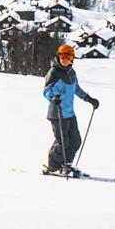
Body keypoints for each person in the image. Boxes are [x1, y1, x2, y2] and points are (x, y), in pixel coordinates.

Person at [42, 43, 99, 176]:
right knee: (62, 142)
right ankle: (53, 166)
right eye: (62, 56)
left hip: (69, 113)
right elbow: (46, 90)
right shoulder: (54, 72)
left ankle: (66, 164)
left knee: (75, 141)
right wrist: (53, 97)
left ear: (72, 58)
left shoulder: (71, 72)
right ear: (58, 56)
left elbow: (76, 89)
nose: (65, 59)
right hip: (57, 113)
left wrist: (89, 99)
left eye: (68, 57)